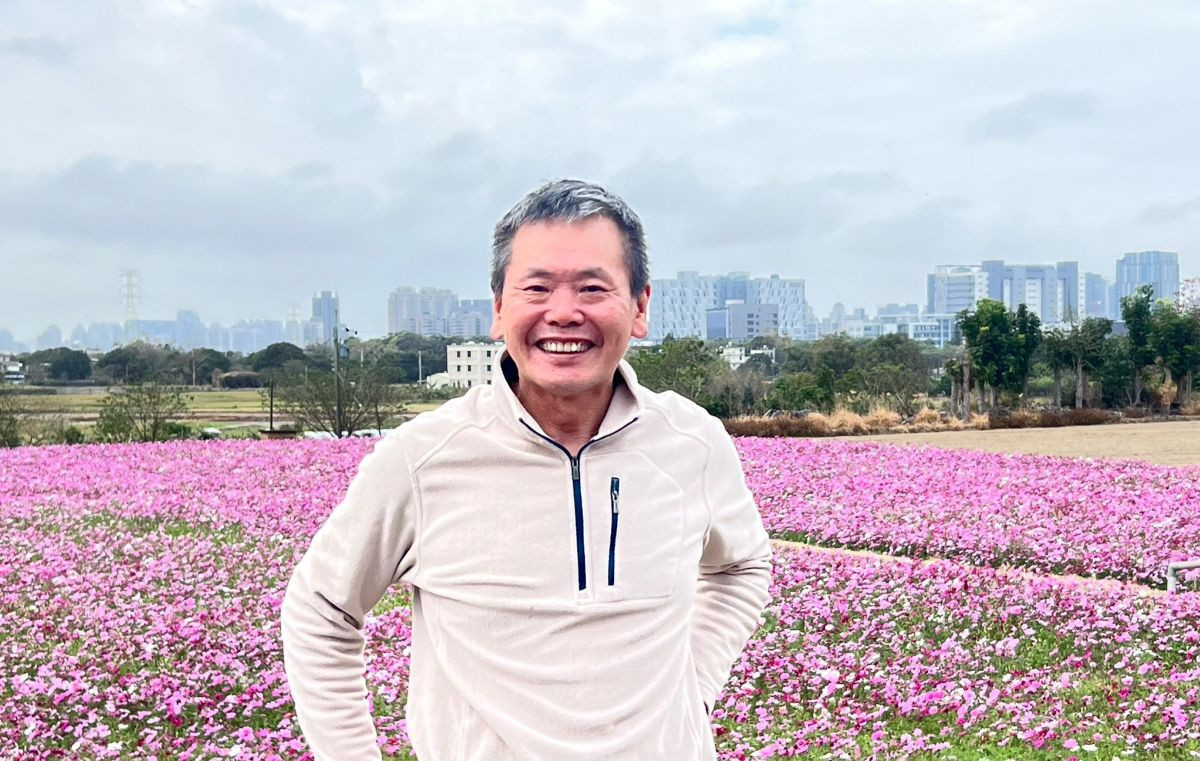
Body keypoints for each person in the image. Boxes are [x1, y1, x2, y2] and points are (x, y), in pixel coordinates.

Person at [281, 179, 773, 761]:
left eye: (593, 288)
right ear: (498, 308)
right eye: (536, 288)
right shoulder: (423, 458)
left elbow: (741, 566)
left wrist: (693, 690)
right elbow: (321, 608)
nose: (563, 313)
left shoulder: (692, 442)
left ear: (640, 307)